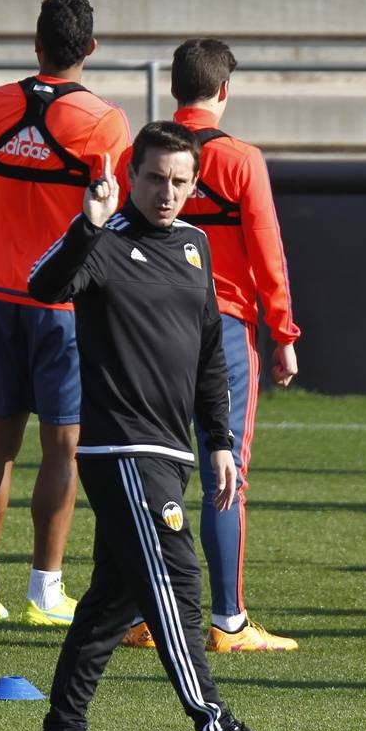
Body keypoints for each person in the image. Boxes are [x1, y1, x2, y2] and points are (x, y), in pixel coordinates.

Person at [24, 121, 298, 731]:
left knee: (112, 600)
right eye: (154, 179)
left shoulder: (197, 246)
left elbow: (209, 353)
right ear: (131, 176)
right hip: (121, 447)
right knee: (178, 581)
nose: (166, 192)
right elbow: (43, 285)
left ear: (195, 182)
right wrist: (86, 226)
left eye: (179, 181)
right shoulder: (102, 240)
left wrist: (222, 442)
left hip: (171, 450)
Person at [120, 38, 301, 654]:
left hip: (148, 326)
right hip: (222, 325)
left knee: (154, 468)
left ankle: (148, 613)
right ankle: (227, 621)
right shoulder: (241, 159)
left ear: (174, 88)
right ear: (225, 89)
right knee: (226, 471)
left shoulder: (140, 156)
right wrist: (284, 331)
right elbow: (266, 248)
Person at [0, 0, 130, 626]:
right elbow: (108, 221)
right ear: (90, 48)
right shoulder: (104, 121)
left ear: (36, 45)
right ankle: (44, 591)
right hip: (64, 301)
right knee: (63, 447)